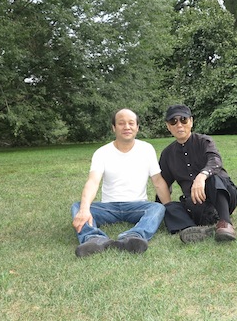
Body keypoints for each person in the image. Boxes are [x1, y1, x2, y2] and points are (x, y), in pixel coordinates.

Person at [71, 109, 171, 257]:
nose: (127, 127)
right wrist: (85, 209)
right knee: (78, 206)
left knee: (157, 208)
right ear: (114, 127)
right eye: (121, 123)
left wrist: (170, 209)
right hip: (108, 208)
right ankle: (94, 239)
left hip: (137, 206)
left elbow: (158, 181)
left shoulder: (146, 149)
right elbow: (93, 182)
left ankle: (133, 237)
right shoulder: (102, 153)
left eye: (131, 123)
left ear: (137, 127)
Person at [159, 104, 237, 243]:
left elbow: (215, 161)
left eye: (183, 120)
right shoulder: (167, 154)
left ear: (191, 121)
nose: (179, 125)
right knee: (169, 206)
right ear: (168, 126)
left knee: (213, 177)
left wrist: (202, 176)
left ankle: (225, 223)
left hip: (222, 196)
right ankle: (194, 230)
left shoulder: (204, 141)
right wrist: (159, 208)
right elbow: (163, 183)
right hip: (197, 206)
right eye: (173, 121)